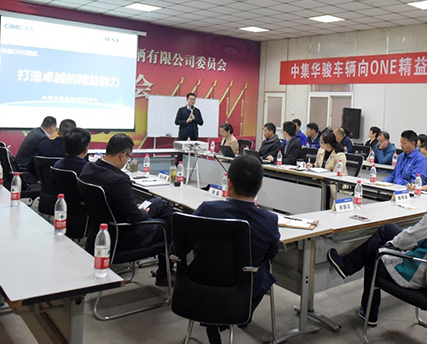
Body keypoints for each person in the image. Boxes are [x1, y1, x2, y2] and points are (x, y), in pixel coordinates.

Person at [327, 173, 427, 326]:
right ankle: (347, 265)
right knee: (388, 229)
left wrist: (389, 245)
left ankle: (369, 312)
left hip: (419, 273)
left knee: (375, 256)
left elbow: (406, 241)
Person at [192, 155, 280, 344]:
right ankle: (240, 316)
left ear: (229, 183)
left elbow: (183, 242)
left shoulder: (207, 210)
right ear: (260, 185)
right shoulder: (270, 220)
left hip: (201, 285)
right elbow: (271, 254)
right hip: (243, 289)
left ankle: (214, 320)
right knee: (264, 271)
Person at [80, 134, 174, 286]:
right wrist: (143, 211)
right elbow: (134, 217)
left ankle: (172, 259)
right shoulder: (118, 179)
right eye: (128, 157)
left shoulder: (88, 168)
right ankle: (166, 270)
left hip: (100, 230)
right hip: (122, 235)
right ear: (122, 155)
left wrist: (136, 208)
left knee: (159, 203)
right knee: (166, 224)